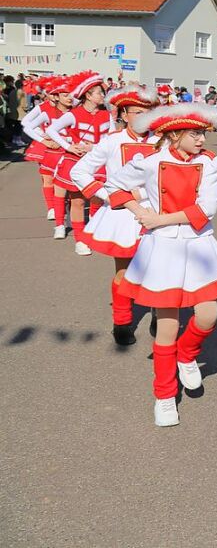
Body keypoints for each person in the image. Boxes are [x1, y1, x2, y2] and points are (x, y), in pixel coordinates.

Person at [105, 103, 217, 427]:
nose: (202, 139)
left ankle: (187, 355)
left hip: (199, 246)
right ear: (174, 135)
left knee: (208, 315)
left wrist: (159, 217)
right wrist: (139, 211)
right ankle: (164, 396)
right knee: (166, 326)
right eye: (195, 133)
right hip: (162, 248)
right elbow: (114, 186)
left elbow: (206, 209)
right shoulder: (151, 163)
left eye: (203, 133)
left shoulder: (210, 164)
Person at [70, 84, 159, 346]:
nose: (143, 116)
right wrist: (109, 196)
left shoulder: (161, 141)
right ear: (123, 114)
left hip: (157, 214)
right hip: (123, 215)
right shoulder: (112, 141)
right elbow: (80, 172)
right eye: (136, 111)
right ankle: (121, 321)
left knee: (158, 268)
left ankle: (159, 313)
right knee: (124, 271)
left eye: (148, 111)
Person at [47, 72, 112, 256]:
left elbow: (112, 139)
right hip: (76, 162)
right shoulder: (74, 114)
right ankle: (79, 239)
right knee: (76, 201)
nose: (102, 96)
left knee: (97, 198)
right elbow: (52, 129)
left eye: (102, 93)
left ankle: (92, 230)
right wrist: (69, 146)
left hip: (98, 162)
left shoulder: (107, 116)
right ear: (88, 95)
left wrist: (95, 147)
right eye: (99, 93)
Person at [21, 77, 71, 220]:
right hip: (46, 146)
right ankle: (52, 208)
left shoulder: (70, 108)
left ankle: (62, 204)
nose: (53, 95)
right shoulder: (42, 107)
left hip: (65, 145)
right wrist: (42, 135)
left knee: (63, 178)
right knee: (47, 178)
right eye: (49, 92)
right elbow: (26, 122)